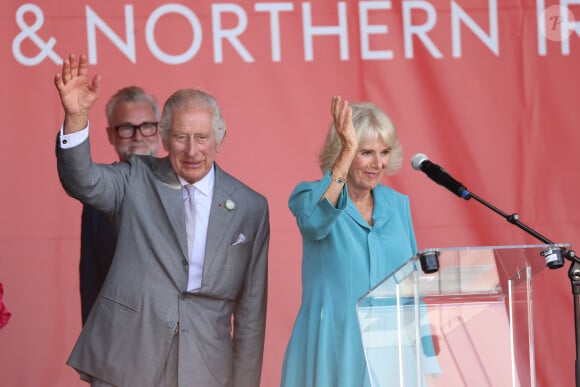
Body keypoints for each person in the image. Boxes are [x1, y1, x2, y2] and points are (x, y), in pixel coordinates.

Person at [54, 54, 270, 387]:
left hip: (206, 366)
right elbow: (82, 180)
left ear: (219, 140)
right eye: (182, 137)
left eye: (202, 138)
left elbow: (251, 315)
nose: (192, 151)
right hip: (128, 359)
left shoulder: (251, 207)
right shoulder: (134, 179)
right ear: (164, 139)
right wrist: (76, 117)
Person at [280, 96, 418, 387]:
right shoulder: (309, 196)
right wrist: (346, 151)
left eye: (384, 152)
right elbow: (316, 222)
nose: (377, 163)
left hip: (392, 349)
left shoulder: (398, 204)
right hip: (332, 346)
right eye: (365, 152)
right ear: (343, 152)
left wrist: (426, 354)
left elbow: (413, 283)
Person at [79, 86, 161, 325]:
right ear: (110, 135)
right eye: (126, 128)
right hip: (123, 340)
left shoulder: (189, 186)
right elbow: (92, 276)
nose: (138, 136)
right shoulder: (97, 198)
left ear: (160, 130)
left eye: (147, 126)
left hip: (183, 343)